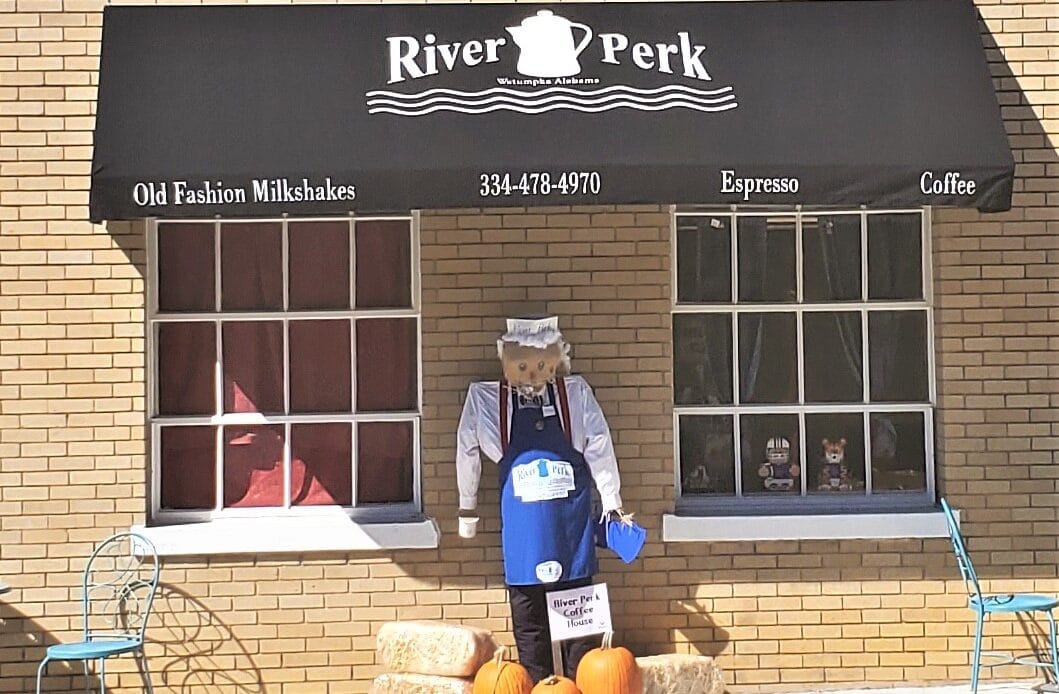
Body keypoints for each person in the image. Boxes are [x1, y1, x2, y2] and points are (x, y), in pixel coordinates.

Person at [455, 316, 628, 682]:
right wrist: (466, 505)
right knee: (529, 618)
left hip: (571, 528)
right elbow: (466, 448)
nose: (532, 374)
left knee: (579, 620)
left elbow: (599, 444)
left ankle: (581, 684)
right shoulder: (489, 402)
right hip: (523, 532)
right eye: (522, 366)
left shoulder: (574, 396)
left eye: (540, 365)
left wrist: (611, 499)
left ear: (555, 361)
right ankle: (538, 685)